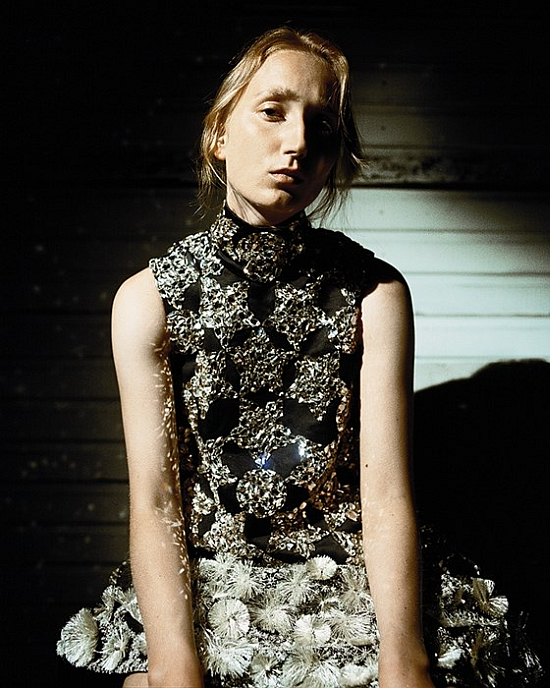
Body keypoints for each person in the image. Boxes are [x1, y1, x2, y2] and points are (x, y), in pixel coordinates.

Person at [57, 27, 542, 688]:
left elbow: (386, 493)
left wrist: (404, 662)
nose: (299, 142)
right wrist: (173, 662)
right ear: (218, 134)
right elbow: (155, 500)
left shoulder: (375, 294)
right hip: (207, 587)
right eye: (272, 111)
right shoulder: (148, 301)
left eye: (323, 125)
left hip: (348, 582)